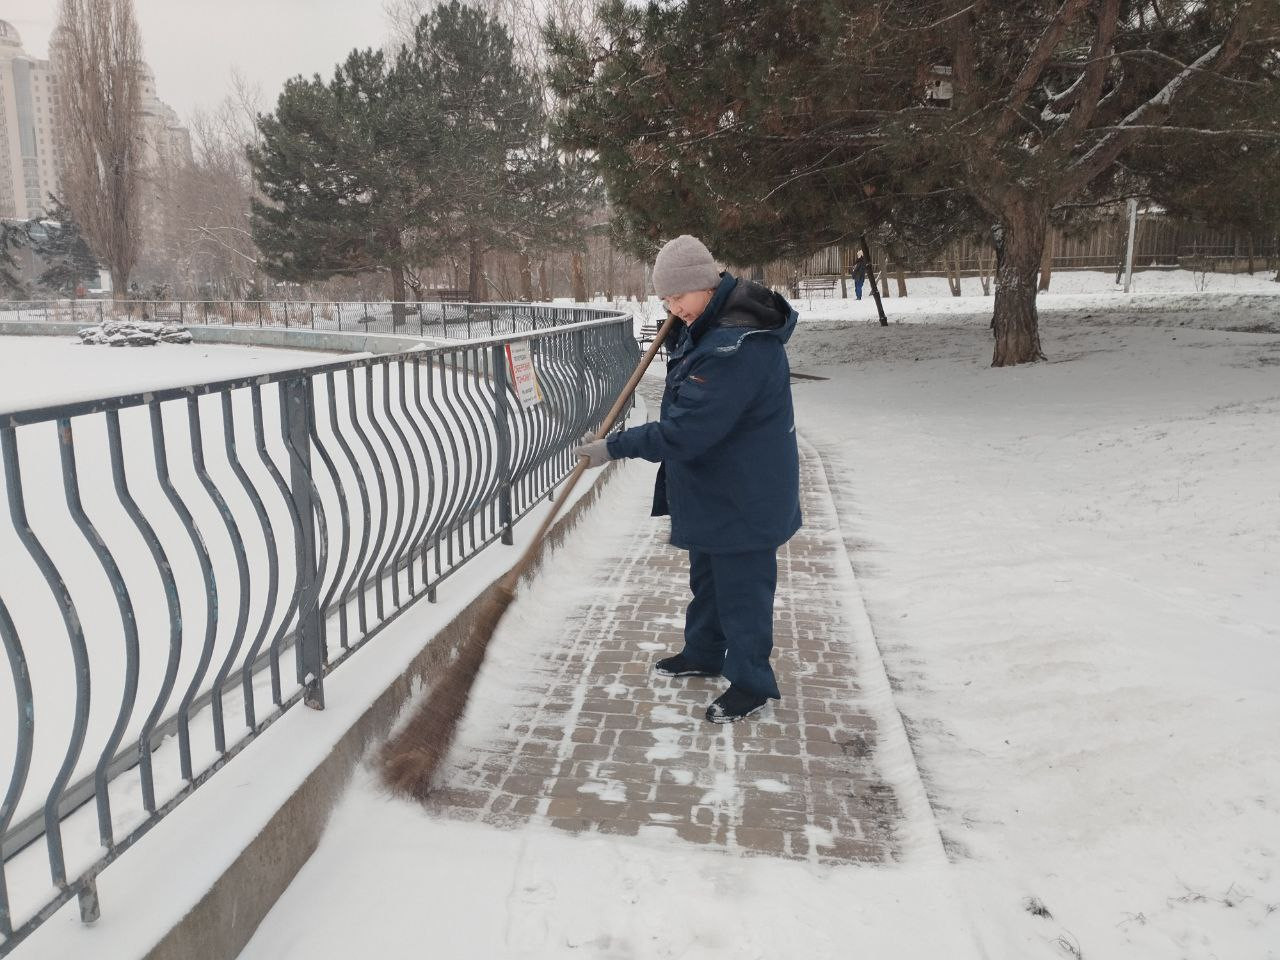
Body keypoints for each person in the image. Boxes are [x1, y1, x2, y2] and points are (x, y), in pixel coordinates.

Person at [574, 235, 801, 723]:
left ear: (707, 284)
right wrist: (681, 335)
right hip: (717, 486)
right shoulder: (710, 327)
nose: (673, 307)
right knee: (709, 581)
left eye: (678, 297)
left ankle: (750, 683)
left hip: (745, 492)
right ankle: (703, 652)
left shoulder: (737, 346)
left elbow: (689, 431)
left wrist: (614, 446)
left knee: (743, 593)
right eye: (665, 300)